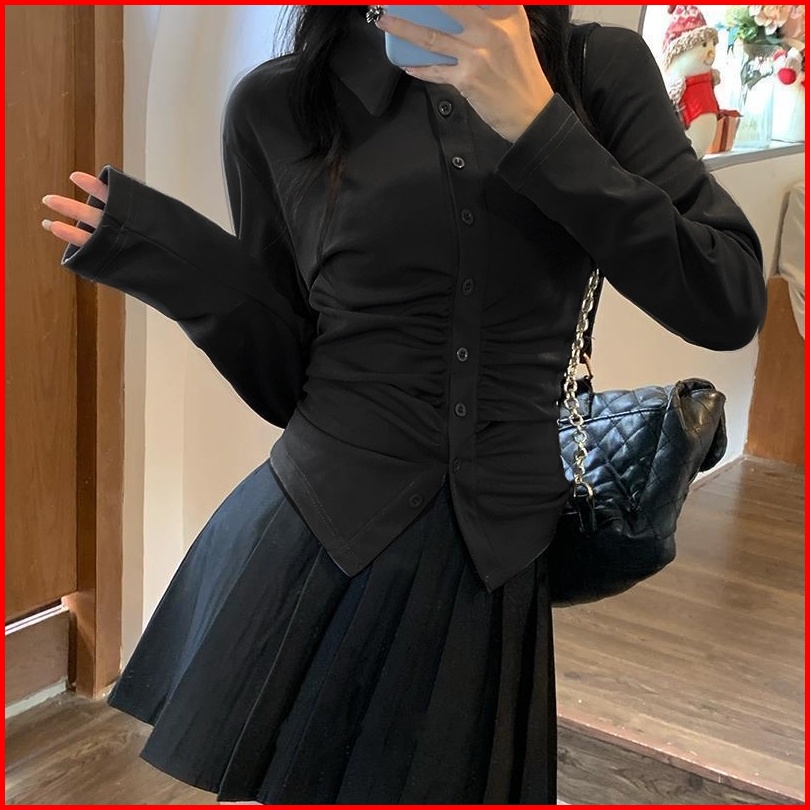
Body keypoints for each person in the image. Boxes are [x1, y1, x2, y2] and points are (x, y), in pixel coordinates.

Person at [41, 6, 767, 805]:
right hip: (316, 543)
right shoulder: (278, 105)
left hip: (495, 561)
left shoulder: (594, 68)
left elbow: (726, 299)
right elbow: (289, 379)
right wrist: (168, 256)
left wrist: (539, 123)